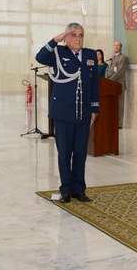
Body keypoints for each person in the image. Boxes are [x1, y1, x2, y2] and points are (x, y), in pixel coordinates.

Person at [36, 23, 99, 203]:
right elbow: (40, 56)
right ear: (67, 38)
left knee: (80, 153)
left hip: (83, 113)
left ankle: (79, 189)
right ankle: (65, 190)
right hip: (63, 113)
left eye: (81, 35)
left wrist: (94, 109)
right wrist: (58, 38)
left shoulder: (90, 55)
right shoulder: (58, 53)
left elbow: (94, 84)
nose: (78, 39)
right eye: (73, 35)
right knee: (64, 153)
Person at [104, 40, 128, 128]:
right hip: (111, 84)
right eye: (114, 46)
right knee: (112, 105)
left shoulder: (123, 58)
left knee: (120, 105)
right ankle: (112, 122)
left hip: (119, 84)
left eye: (118, 46)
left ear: (121, 47)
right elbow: (107, 69)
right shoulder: (112, 57)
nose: (116, 47)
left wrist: (110, 79)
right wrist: (107, 78)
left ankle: (119, 124)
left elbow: (120, 72)